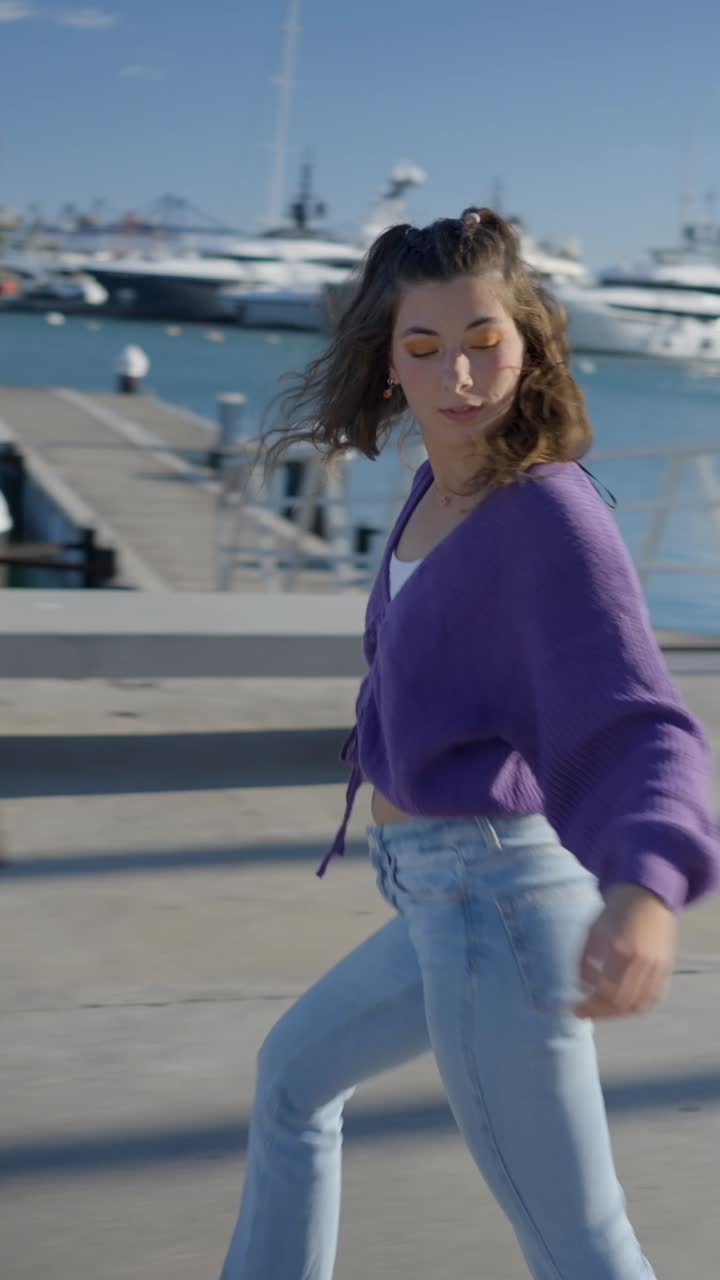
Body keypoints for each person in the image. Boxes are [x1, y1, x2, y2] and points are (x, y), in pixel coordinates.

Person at [219, 208, 720, 1280]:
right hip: (440, 900)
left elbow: (639, 716)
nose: (460, 373)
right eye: (426, 346)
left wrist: (646, 886)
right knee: (292, 1082)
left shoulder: (547, 515)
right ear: (390, 363)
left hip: (501, 907)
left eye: (485, 338)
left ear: (529, 339)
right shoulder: (435, 490)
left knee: (579, 1245)